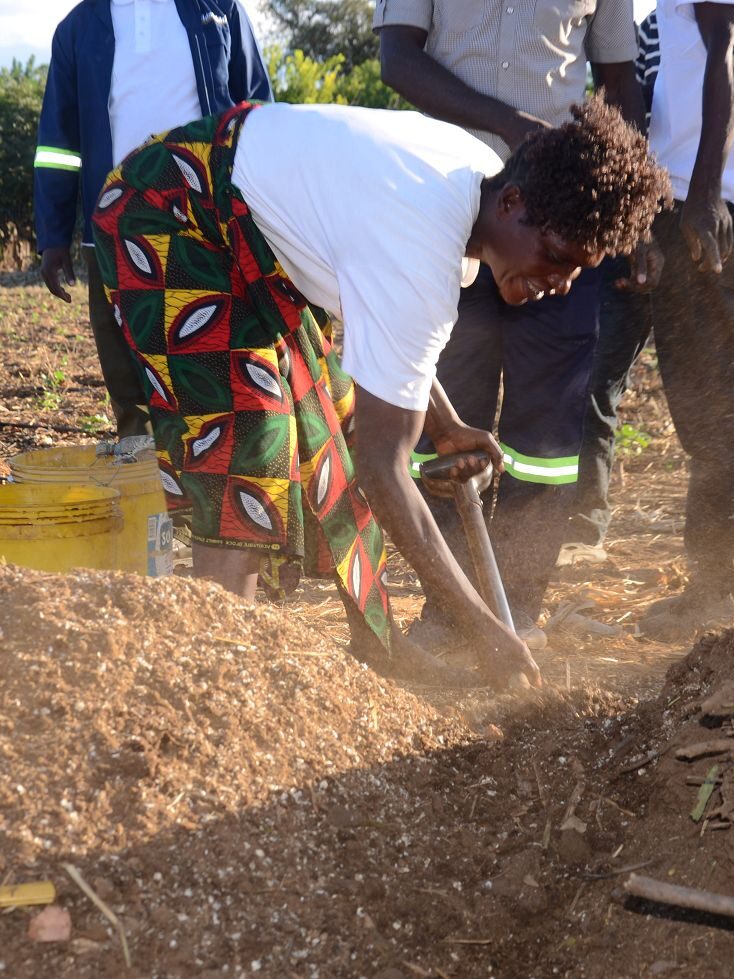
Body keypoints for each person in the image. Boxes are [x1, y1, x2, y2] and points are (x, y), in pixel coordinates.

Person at [91, 97, 668, 687]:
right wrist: (485, 631)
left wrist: (443, 425)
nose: (560, 283)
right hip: (173, 210)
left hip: (245, 231)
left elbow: (395, 348)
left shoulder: (478, 182)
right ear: (513, 205)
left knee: (337, 416)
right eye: (555, 257)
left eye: (577, 270)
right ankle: (220, 678)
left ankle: (378, 648)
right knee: (250, 448)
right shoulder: (420, 240)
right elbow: (383, 469)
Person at [373, 0, 652, 651]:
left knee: (547, 442)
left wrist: (628, 214)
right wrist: (509, 124)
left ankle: (516, 609)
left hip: (557, 222)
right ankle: (448, 614)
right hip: (448, 206)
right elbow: (398, 58)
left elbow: (620, 81)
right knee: (446, 421)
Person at [34, 0, 272, 439]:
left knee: (221, 351)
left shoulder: (219, 11)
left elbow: (257, 110)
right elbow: (58, 145)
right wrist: (52, 237)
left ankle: (227, 470)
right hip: (112, 227)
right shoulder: (78, 29)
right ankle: (141, 469)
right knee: (127, 366)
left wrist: (272, 205)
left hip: (208, 221)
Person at [636, 0, 734, 641]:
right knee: (709, 421)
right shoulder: (650, 27)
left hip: (708, 210)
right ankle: (713, 590)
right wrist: (645, 223)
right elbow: (636, 121)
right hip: (679, 222)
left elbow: (720, 36)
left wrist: (704, 195)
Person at [563, 8, 662, 562]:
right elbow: (617, 112)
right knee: (588, 379)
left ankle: (584, 524)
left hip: (682, 224)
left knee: (601, 384)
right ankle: (575, 522)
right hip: (627, 226)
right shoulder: (650, 34)